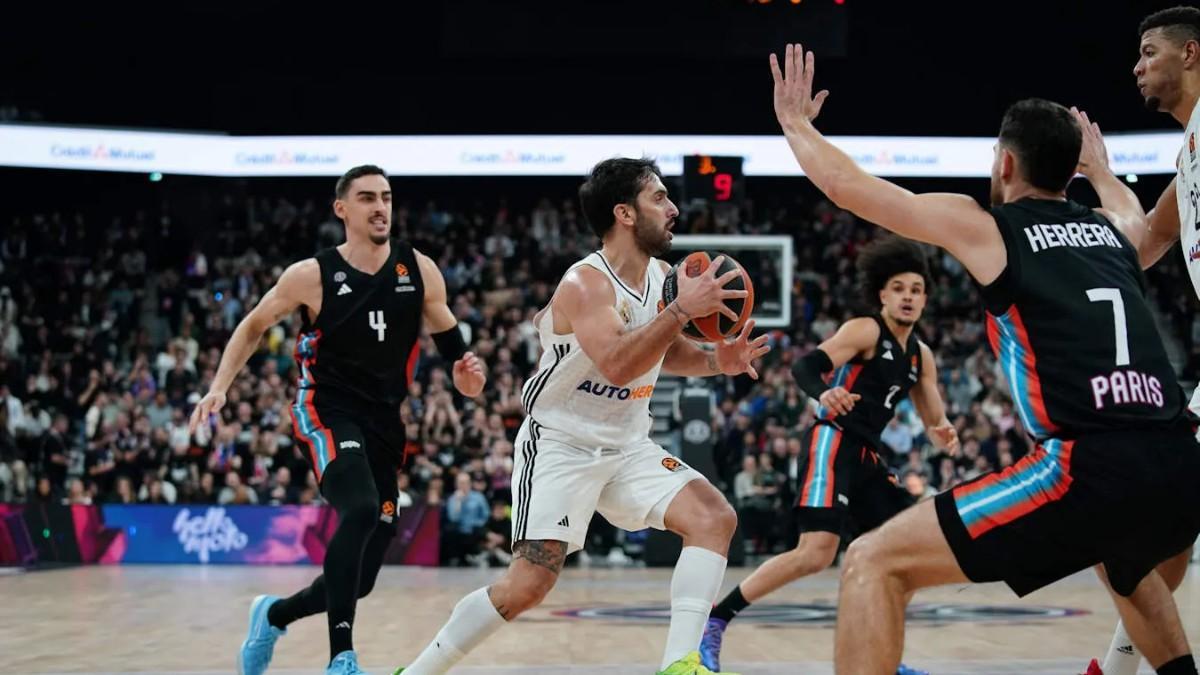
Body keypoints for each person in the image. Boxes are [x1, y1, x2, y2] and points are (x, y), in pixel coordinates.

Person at [768, 43, 1200, 674]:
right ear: (1071, 171)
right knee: (1125, 561)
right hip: (1179, 459)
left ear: (1004, 162)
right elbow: (1135, 217)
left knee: (872, 561)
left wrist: (797, 126)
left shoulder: (992, 228)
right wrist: (1102, 170)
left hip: (1089, 465)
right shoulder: (1115, 232)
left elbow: (847, 186)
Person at [394, 157, 768, 675]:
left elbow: (667, 350)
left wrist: (715, 360)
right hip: (561, 444)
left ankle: (681, 665)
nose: (674, 208)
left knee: (714, 518)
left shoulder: (661, 278)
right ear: (626, 214)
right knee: (526, 586)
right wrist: (680, 310)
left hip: (627, 445)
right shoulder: (586, 284)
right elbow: (617, 363)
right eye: (659, 197)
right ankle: (415, 673)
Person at [188, 164, 486, 675]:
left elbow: (461, 362)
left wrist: (469, 379)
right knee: (361, 509)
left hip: (385, 424)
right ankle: (341, 659)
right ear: (341, 209)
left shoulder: (419, 270)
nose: (381, 207)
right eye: (367, 197)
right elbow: (254, 325)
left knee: (362, 578)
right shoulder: (311, 274)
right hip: (325, 410)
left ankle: (273, 614)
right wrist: (219, 387)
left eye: (387, 197)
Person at [700, 236, 958, 674]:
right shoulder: (865, 330)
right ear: (882, 294)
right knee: (816, 553)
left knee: (899, 557)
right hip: (832, 441)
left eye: (916, 289)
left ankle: (884, 658)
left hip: (867, 457)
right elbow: (805, 367)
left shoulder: (921, 356)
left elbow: (934, 416)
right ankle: (717, 619)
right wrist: (826, 391)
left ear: (926, 298)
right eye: (899, 288)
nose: (909, 296)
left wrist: (943, 430)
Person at [1087, 9, 1200, 673]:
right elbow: (1147, 240)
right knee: (1159, 541)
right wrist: (1101, 176)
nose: (1137, 66)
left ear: (1191, 54)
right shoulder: (1189, 153)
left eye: (1149, 52)